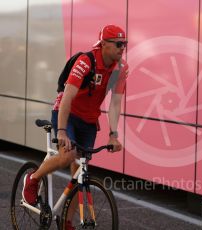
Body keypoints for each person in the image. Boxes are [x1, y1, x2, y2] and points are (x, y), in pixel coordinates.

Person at [22, 24, 129, 207]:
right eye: (118, 44)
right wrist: (62, 131)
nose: (122, 48)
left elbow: (115, 103)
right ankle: (33, 178)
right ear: (104, 44)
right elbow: (67, 97)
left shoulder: (121, 68)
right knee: (68, 156)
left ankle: (67, 222)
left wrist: (113, 135)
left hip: (89, 120)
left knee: (79, 174)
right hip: (67, 113)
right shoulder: (86, 62)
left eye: (124, 44)